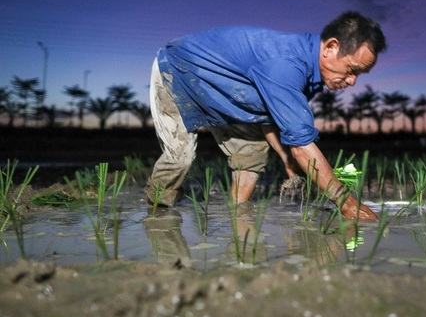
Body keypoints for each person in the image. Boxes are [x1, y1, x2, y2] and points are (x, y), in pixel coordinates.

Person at [145, 11, 387, 220]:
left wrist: (285, 157)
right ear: (331, 47)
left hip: (228, 92)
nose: (353, 82)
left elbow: (270, 117)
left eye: (360, 74)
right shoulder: (286, 65)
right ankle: (157, 216)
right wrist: (347, 205)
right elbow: (302, 146)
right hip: (178, 71)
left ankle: (238, 219)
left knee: (252, 154)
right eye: (352, 69)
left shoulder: (309, 73)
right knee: (180, 157)